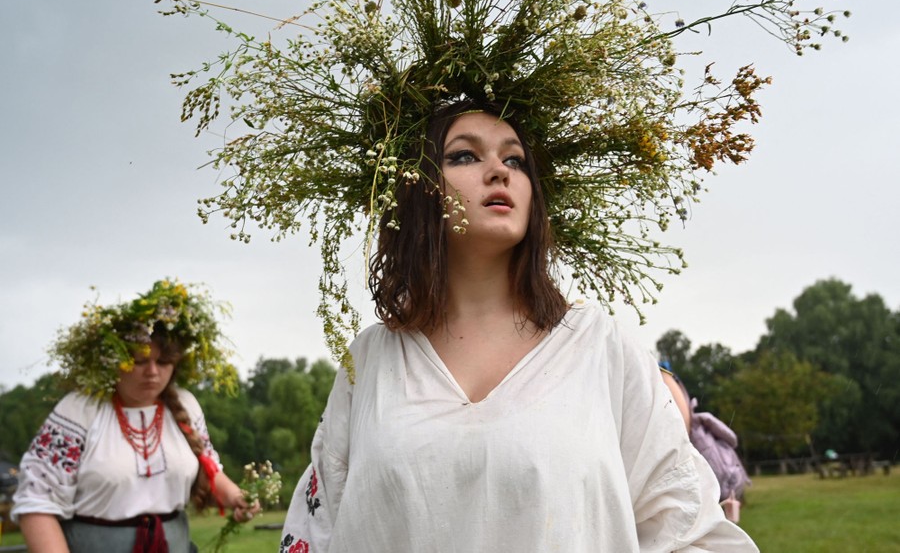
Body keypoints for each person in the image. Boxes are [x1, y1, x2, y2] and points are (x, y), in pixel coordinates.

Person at [279, 100, 759, 552]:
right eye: (464, 155)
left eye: (516, 160)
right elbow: (316, 531)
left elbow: (686, 527)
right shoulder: (370, 360)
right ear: (417, 187)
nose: (499, 171)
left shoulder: (601, 347)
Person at [11, 279, 259, 553]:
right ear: (113, 362)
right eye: (140, 361)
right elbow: (37, 502)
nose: (152, 372)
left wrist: (236, 496)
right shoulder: (79, 410)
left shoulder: (186, 406)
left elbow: (208, 474)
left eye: (163, 362)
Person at [658, 363, 751, 523]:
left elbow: (728, 435)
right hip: (708, 467)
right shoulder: (701, 423)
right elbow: (729, 436)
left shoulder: (700, 422)